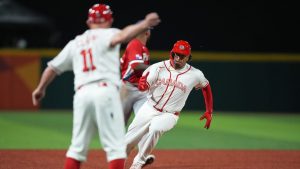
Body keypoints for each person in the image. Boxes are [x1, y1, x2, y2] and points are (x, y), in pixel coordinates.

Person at [31, 3, 160, 169]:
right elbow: (122, 37)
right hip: (105, 92)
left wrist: (40, 88)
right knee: (115, 149)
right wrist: (144, 23)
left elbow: (52, 68)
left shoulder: (75, 43)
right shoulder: (109, 34)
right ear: (110, 20)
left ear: (88, 21)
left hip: (81, 95)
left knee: (77, 149)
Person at [125, 40, 214, 169]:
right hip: (149, 108)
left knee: (156, 128)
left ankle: (138, 163)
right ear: (171, 53)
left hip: (170, 115)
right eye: (176, 54)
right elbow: (144, 86)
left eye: (182, 55)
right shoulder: (157, 68)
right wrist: (143, 86)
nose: (178, 58)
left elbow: (206, 86)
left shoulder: (195, 74)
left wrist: (209, 110)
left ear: (189, 57)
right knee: (126, 143)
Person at [119, 25, 155, 168]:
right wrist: (158, 67)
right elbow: (136, 66)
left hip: (140, 91)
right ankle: (116, 156)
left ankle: (142, 155)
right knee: (119, 124)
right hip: (127, 89)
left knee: (144, 121)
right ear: (147, 32)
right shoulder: (135, 44)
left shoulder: (144, 48)